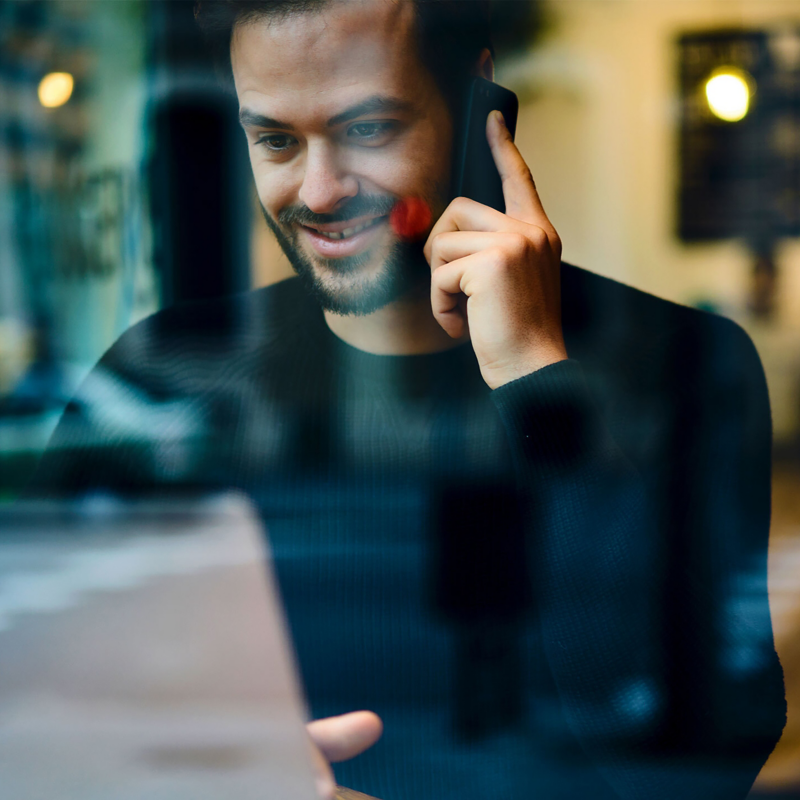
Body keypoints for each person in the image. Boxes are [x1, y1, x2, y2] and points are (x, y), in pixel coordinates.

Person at [31, 1, 785, 798]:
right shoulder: (158, 380)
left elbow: (714, 745)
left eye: (367, 130)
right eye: (277, 141)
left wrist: (535, 373)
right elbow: (48, 725)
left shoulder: (688, 362)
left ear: (475, 109)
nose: (318, 192)